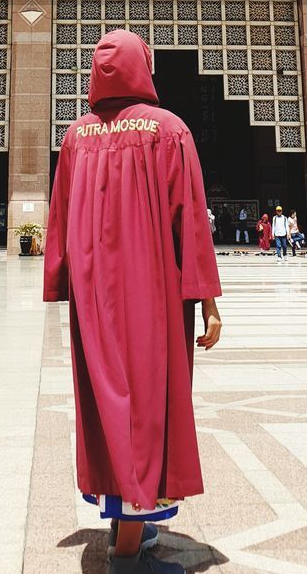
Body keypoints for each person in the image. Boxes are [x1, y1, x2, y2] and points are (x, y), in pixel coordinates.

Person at [44, 30, 222, 574]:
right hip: (153, 294)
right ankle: (125, 551)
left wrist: (61, 283)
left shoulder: (77, 136)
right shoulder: (169, 131)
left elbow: (59, 217)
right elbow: (189, 218)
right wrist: (208, 300)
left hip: (95, 298)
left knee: (108, 406)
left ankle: (128, 528)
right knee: (146, 405)